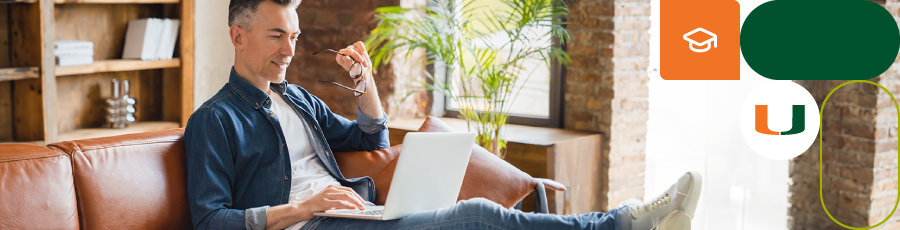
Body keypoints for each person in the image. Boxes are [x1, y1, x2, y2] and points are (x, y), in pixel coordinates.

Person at [183, 0, 702, 229]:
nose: (290, 50)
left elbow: (373, 134)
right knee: (477, 216)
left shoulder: (296, 99)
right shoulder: (215, 120)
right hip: (309, 227)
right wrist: (305, 208)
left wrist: (365, 86)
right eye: (277, 35)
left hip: (356, 215)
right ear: (237, 35)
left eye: (294, 36)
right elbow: (210, 220)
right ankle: (624, 222)